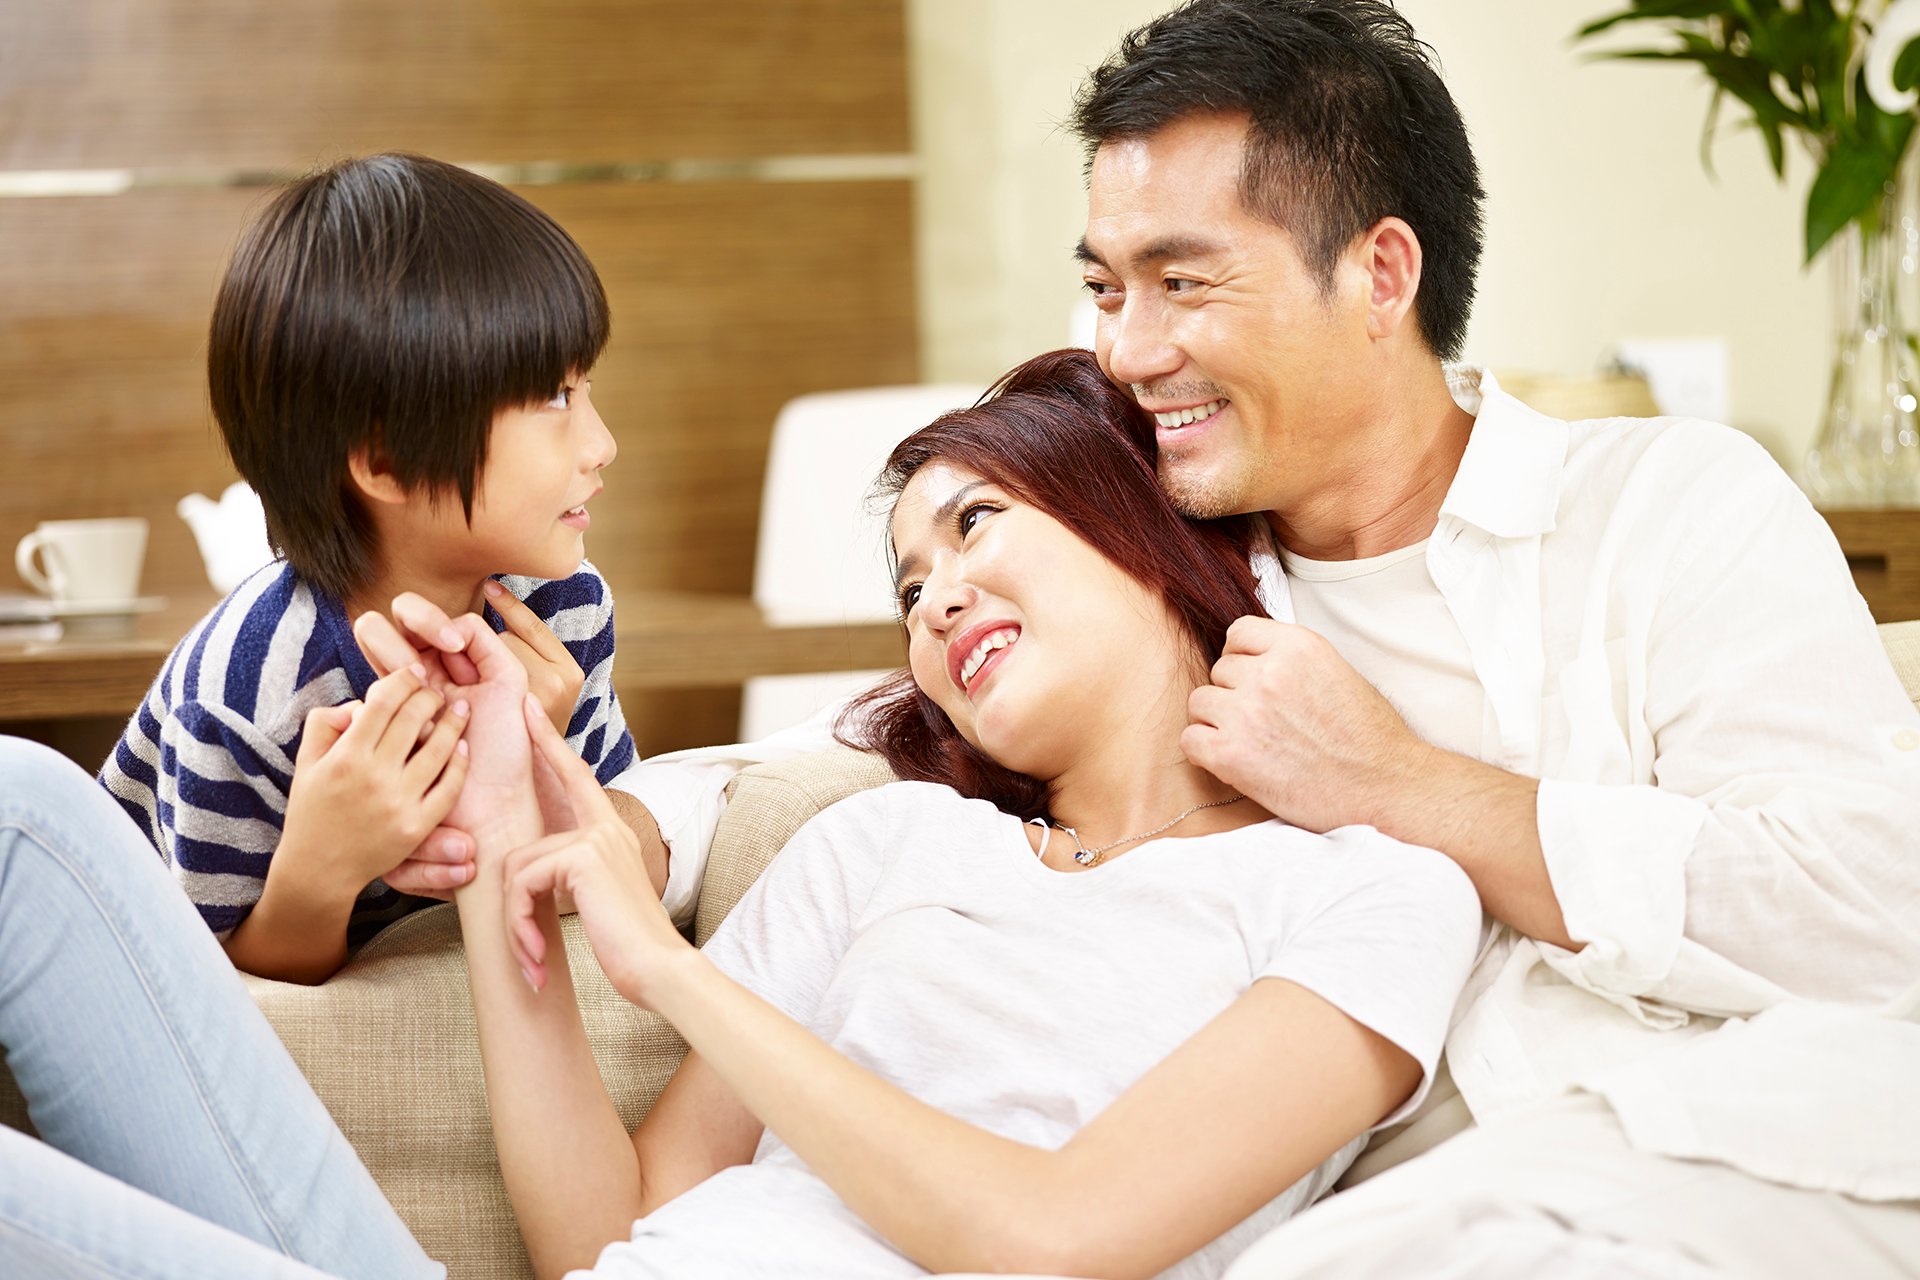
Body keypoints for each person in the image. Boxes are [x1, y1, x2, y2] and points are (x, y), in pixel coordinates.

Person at [574, 1, 1920, 1275]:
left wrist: (1403, 788)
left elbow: (1873, 910)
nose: (1128, 350)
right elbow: (864, 735)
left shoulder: (1666, 508)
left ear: (1380, 273)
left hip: (1740, 1152)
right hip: (1375, 1228)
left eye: (1182, 282)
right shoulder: (1179, 572)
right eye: (1107, 289)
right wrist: (633, 823)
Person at [0, 349, 1482, 1279]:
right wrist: (508, 844)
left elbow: (1057, 1238)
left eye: (977, 522)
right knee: (26, 812)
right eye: (910, 586)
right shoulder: (886, 840)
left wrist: (668, 968)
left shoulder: (1373, 893)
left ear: (1145, 529)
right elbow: (607, 1237)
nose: (937, 598)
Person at [95, 153, 662, 984]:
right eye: (554, 398)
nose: (602, 443)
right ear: (389, 462)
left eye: (586, 388)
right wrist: (323, 866)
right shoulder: (249, 691)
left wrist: (542, 775)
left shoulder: (561, 610)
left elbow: (631, 864)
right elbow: (199, 998)